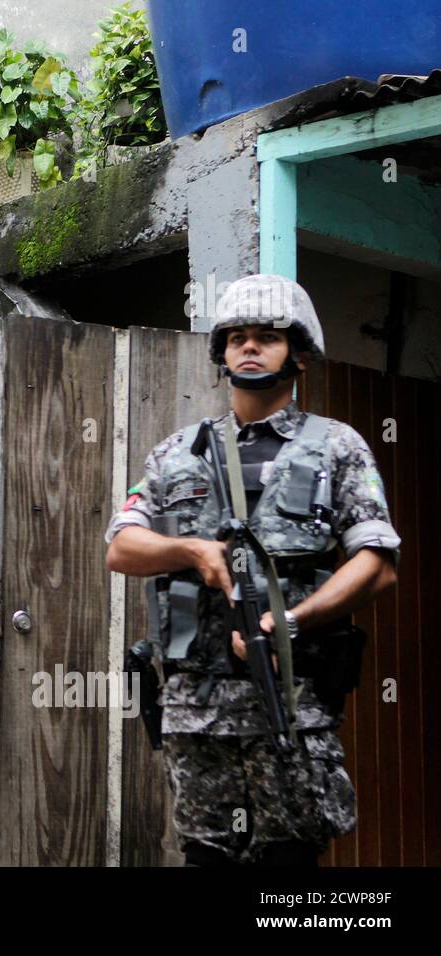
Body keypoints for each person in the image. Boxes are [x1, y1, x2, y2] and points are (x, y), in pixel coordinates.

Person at [105, 274, 399, 867]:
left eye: (267, 336)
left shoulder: (337, 448)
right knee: (205, 856)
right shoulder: (176, 451)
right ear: (221, 354)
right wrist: (192, 552)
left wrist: (293, 619)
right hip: (195, 711)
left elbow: (377, 562)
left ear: (299, 354)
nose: (249, 347)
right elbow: (122, 546)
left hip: (288, 706)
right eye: (237, 337)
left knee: (286, 864)